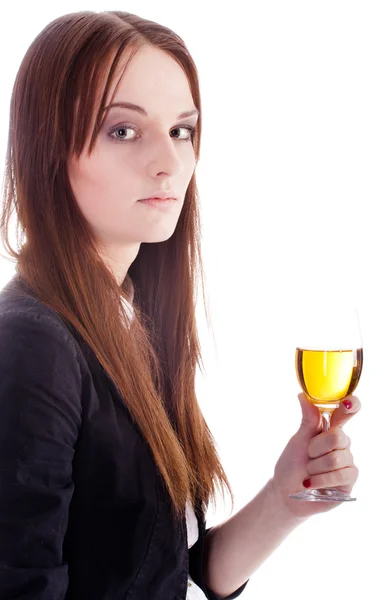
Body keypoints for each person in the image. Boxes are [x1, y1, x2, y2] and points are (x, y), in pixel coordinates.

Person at [0, 10, 360, 600]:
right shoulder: (33, 345)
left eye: (182, 131)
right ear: (48, 148)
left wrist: (285, 497)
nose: (168, 162)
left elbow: (165, 570)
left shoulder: (127, 320)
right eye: (123, 130)